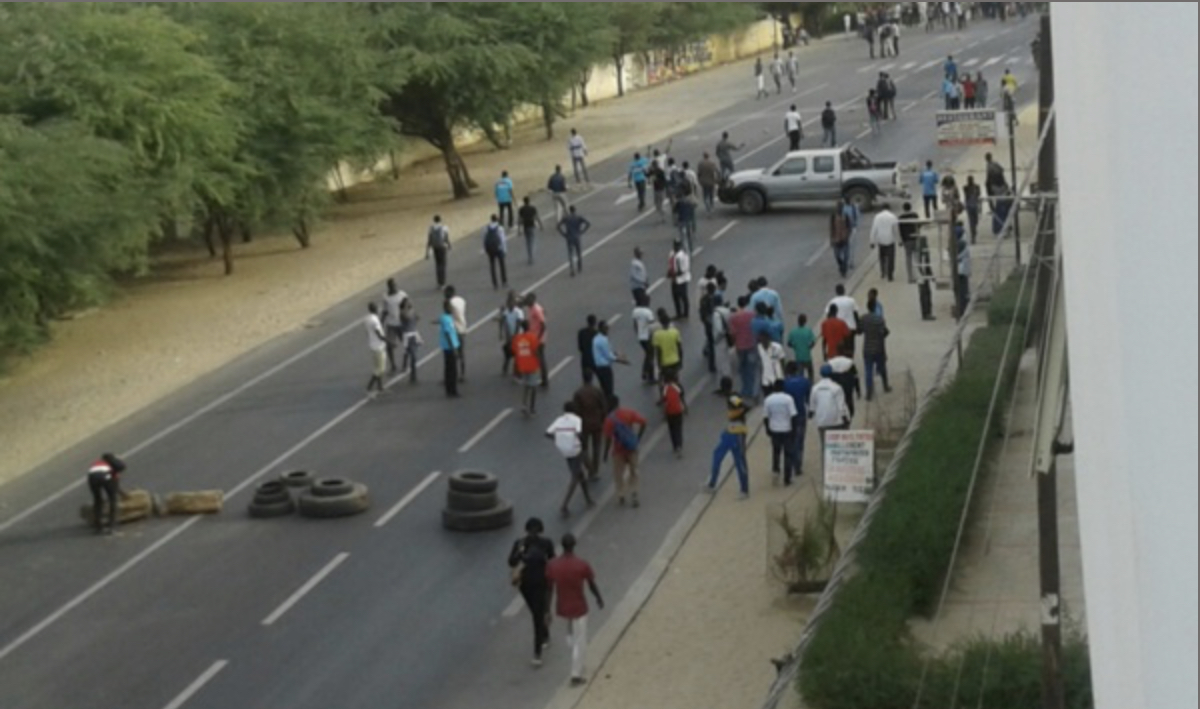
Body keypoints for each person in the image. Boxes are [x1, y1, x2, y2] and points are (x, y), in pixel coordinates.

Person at [544, 533, 604, 687]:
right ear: (574, 545)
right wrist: (598, 598)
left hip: (562, 604)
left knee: (571, 632)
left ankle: (573, 650)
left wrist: (547, 610)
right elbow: (591, 583)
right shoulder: (581, 565)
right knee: (581, 640)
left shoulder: (553, 565)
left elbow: (549, 589)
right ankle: (576, 673)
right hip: (579, 605)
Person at [508, 518, 556, 666]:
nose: (533, 534)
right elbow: (511, 561)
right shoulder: (521, 544)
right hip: (528, 585)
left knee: (536, 614)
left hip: (537, 584)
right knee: (536, 611)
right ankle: (545, 632)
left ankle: (537, 653)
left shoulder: (545, 543)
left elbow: (552, 559)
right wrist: (520, 553)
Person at [546, 405, 595, 518]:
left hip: (565, 451)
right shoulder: (577, 419)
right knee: (576, 477)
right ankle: (564, 505)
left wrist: (560, 440)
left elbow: (548, 433)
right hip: (576, 449)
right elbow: (578, 433)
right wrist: (582, 443)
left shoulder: (559, 420)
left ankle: (588, 499)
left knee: (580, 474)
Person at [603, 396, 647, 508]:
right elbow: (643, 422)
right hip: (632, 447)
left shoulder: (609, 420)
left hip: (618, 450)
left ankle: (621, 494)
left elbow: (608, 438)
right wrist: (638, 438)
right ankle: (634, 494)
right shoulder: (628, 413)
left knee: (618, 474)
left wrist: (605, 453)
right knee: (634, 471)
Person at [707, 395, 750, 499]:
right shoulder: (734, 407)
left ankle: (744, 489)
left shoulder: (736, 406)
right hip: (730, 432)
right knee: (718, 455)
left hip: (737, 434)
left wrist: (739, 409)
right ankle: (712, 484)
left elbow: (745, 407)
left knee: (739, 461)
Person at [763, 382, 801, 486]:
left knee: (776, 451)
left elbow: (766, 417)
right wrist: (794, 430)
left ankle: (776, 470)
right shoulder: (788, 399)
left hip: (774, 429)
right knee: (788, 454)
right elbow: (793, 415)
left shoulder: (768, 399)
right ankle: (787, 478)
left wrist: (767, 429)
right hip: (787, 429)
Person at [810, 364, 851, 460]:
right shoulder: (836, 388)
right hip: (836, 422)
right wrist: (846, 420)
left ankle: (826, 469)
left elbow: (812, 406)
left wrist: (812, 415)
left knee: (825, 447)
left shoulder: (815, 388)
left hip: (822, 422)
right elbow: (841, 406)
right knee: (838, 447)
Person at [572, 381, 608, 480]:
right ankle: (595, 470)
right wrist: (603, 419)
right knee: (597, 447)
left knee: (583, 448)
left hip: (584, 424)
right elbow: (604, 406)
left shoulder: (578, 393)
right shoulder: (597, 391)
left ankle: (590, 469)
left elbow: (576, 410)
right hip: (597, 423)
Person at [782, 361, 812, 478]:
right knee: (800, 439)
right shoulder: (805, 382)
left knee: (790, 439)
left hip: (788, 415)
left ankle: (792, 461)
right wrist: (810, 411)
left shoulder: (785, 383)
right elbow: (809, 399)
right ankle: (798, 464)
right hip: (801, 413)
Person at [86, 453, 127, 534]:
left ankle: (98, 527)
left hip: (92, 478)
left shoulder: (96, 463)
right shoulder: (113, 466)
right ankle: (112, 527)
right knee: (113, 500)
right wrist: (122, 493)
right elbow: (115, 485)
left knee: (98, 500)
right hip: (105, 477)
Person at [729, 297, 758, 402]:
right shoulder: (752, 314)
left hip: (740, 346)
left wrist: (734, 343)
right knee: (751, 369)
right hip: (751, 345)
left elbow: (732, 333)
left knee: (742, 368)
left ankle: (745, 389)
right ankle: (752, 390)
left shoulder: (733, 317)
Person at [860, 306, 891, 401]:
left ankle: (869, 391)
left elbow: (859, 330)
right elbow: (885, 332)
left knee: (868, 370)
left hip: (867, 348)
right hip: (878, 348)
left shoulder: (864, 318)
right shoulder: (879, 319)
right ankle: (885, 386)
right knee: (882, 367)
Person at [591, 321, 624, 401]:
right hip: (604, 367)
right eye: (606, 328)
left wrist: (615, 353)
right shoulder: (603, 340)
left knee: (604, 388)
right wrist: (620, 360)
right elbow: (608, 356)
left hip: (599, 367)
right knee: (609, 389)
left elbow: (607, 351)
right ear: (601, 329)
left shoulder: (596, 338)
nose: (607, 330)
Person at [829, 341, 862, 420]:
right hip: (847, 384)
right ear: (844, 350)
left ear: (836, 350)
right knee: (849, 400)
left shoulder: (831, 362)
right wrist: (858, 390)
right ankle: (850, 415)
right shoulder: (849, 362)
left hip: (836, 384)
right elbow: (855, 377)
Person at [381, 279, 407, 375]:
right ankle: (393, 365)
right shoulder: (386, 297)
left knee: (406, 344)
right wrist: (381, 322)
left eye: (395, 285)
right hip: (391, 324)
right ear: (389, 286)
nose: (394, 287)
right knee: (389, 346)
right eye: (392, 285)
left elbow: (408, 307)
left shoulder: (402, 295)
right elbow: (385, 310)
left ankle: (405, 364)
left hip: (401, 324)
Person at [556, 206, 591, 277]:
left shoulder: (566, 218)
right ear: (575, 210)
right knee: (578, 252)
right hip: (577, 236)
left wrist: (563, 234)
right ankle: (579, 266)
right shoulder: (578, 217)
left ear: (569, 210)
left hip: (569, 236)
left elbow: (558, 226)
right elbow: (588, 224)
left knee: (570, 253)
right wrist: (582, 231)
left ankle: (572, 269)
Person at [652, 308, 683, 385]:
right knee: (676, 380)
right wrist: (680, 361)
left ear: (660, 323)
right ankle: (679, 394)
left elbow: (658, 351)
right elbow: (680, 348)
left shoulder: (657, 334)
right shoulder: (675, 332)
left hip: (664, 363)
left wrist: (659, 364)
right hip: (675, 361)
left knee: (664, 382)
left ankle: (663, 395)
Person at [870, 203, 900, 282]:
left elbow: (874, 229)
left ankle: (883, 272)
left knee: (882, 257)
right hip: (890, 240)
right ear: (889, 208)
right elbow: (896, 230)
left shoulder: (877, 217)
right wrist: (899, 240)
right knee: (891, 258)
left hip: (881, 240)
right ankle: (890, 274)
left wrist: (872, 241)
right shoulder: (893, 216)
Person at [364, 303, 388, 399]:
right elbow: (379, 335)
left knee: (377, 367)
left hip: (372, 345)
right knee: (380, 369)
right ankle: (368, 388)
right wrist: (390, 341)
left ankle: (380, 387)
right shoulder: (374, 320)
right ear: (375, 309)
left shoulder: (367, 318)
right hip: (378, 346)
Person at [498, 291, 525, 377]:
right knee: (508, 352)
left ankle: (518, 370)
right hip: (510, 336)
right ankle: (507, 368)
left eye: (511, 302)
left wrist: (515, 336)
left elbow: (519, 323)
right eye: (508, 302)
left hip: (519, 335)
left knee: (518, 353)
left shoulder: (518, 312)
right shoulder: (506, 312)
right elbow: (503, 322)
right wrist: (502, 333)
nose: (510, 304)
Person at [661, 371, 687, 458]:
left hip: (669, 412)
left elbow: (665, 402)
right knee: (678, 428)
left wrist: (664, 414)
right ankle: (679, 445)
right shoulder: (677, 387)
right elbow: (681, 398)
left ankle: (675, 445)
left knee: (671, 429)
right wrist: (685, 408)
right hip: (678, 411)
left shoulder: (665, 388)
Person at [631, 294, 657, 384]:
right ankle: (650, 376)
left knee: (648, 354)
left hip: (640, 336)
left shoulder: (635, 311)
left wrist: (638, 333)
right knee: (650, 356)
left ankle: (645, 372)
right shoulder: (648, 312)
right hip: (648, 336)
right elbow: (652, 325)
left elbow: (635, 324)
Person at [525, 292, 549, 387]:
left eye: (528, 299)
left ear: (533, 300)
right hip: (533, 336)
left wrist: (538, 339)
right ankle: (541, 378)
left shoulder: (536, 309)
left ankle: (544, 379)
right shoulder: (531, 308)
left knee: (541, 358)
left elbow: (543, 325)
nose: (527, 301)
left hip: (539, 338)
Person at [445, 285, 467, 383]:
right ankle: (462, 374)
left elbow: (448, 315)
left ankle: (453, 374)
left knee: (451, 354)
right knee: (461, 353)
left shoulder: (450, 303)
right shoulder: (461, 300)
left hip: (454, 329)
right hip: (462, 327)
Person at [439, 301, 461, 398]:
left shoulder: (448, 318)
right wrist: (453, 348)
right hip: (449, 347)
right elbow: (448, 333)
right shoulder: (446, 319)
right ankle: (452, 389)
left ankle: (450, 389)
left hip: (451, 346)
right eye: (450, 307)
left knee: (450, 369)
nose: (452, 309)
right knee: (452, 370)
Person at [787, 314, 817, 382]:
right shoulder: (808, 331)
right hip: (807, 356)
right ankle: (811, 383)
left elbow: (789, 343)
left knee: (800, 373)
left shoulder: (793, 332)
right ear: (805, 321)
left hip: (798, 357)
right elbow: (813, 342)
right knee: (810, 372)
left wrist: (795, 346)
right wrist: (809, 347)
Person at [398, 297, 422, 384]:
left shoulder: (412, 311)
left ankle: (411, 371)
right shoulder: (402, 313)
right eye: (408, 302)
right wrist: (408, 308)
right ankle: (413, 375)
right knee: (412, 355)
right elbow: (407, 317)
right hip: (407, 335)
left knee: (411, 354)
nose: (410, 303)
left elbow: (418, 318)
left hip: (413, 333)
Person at [898, 202, 922, 284]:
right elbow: (918, 225)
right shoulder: (914, 215)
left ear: (903, 208)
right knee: (917, 258)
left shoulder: (900, 217)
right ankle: (920, 275)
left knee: (908, 258)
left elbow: (900, 230)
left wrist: (901, 241)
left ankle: (910, 277)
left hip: (906, 240)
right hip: (915, 238)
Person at [483, 216, 509, 290]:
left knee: (492, 266)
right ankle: (504, 281)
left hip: (490, 249)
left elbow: (484, 239)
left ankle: (495, 283)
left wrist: (486, 249)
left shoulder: (486, 228)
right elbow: (503, 239)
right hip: (499, 248)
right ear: (497, 220)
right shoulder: (500, 228)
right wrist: (504, 249)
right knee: (502, 265)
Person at [425, 215, 451, 288]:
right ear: (440, 220)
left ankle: (439, 282)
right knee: (443, 264)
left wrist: (427, 252)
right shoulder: (444, 227)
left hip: (435, 247)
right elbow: (446, 238)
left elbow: (429, 240)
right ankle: (443, 282)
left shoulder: (431, 228)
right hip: (442, 247)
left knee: (437, 264)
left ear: (434, 220)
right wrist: (449, 245)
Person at [668, 241, 691, 321]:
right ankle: (678, 313)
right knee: (675, 297)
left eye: (677, 245)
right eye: (674, 245)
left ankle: (686, 313)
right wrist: (670, 272)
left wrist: (677, 273)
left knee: (683, 296)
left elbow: (685, 268)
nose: (675, 247)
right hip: (674, 279)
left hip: (682, 279)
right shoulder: (672, 254)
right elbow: (671, 264)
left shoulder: (684, 255)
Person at [758, 330, 787, 394]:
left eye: (765, 338)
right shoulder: (758, 349)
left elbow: (782, 360)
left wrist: (785, 373)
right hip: (765, 379)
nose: (764, 341)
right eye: (762, 339)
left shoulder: (777, 347)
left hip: (778, 377)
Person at [830, 200, 853, 278]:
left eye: (840, 207)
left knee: (846, 256)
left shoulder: (846, 216)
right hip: (836, 239)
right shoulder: (833, 216)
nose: (839, 209)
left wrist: (847, 235)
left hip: (845, 239)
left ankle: (844, 270)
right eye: (838, 207)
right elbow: (831, 228)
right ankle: (841, 265)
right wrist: (831, 238)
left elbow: (849, 227)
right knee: (837, 256)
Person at [518, 197, 543, 266]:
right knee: (532, 241)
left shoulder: (521, 209)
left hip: (525, 226)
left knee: (527, 242)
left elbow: (520, 219)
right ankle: (531, 256)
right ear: (529, 201)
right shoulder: (533, 208)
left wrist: (519, 229)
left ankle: (529, 256)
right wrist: (540, 225)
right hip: (531, 225)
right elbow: (537, 217)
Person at [576, 315, 598, 385]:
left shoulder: (581, 332)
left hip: (585, 358)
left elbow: (580, 347)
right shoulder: (596, 333)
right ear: (595, 322)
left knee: (586, 379)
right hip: (594, 358)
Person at [963, 176, 983, 243]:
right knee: (972, 222)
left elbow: (978, 195)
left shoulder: (976, 187)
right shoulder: (966, 188)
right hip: (970, 205)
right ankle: (973, 236)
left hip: (974, 205)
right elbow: (966, 196)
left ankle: (974, 232)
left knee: (975, 221)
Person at [956, 233, 972, 316]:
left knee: (959, 292)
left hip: (958, 271)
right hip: (964, 271)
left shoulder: (955, 244)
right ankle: (963, 309)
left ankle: (961, 309)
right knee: (964, 291)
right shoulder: (963, 244)